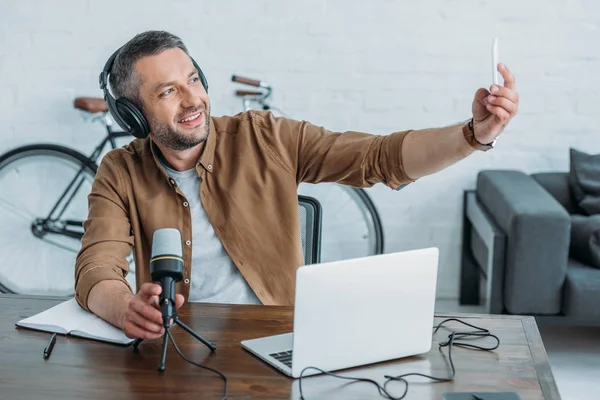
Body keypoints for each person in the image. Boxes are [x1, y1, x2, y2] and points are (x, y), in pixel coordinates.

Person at [75, 30, 519, 340]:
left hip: (279, 340)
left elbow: (378, 157)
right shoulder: (120, 171)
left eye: (193, 80)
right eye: (168, 92)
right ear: (134, 116)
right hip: (179, 346)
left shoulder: (264, 135)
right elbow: (97, 268)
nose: (193, 100)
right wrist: (124, 308)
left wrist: (474, 135)